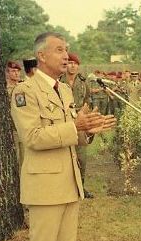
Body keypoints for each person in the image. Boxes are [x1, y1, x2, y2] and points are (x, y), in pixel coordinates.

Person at [10, 32, 116, 241]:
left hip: (68, 182)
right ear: (41, 56)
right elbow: (32, 138)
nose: (66, 55)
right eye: (59, 50)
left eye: (67, 50)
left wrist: (89, 130)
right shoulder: (25, 92)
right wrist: (75, 127)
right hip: (44, 185)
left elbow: (75, 136)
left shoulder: (66, 91)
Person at [60, 52, 94, 198]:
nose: (72, 66)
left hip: (80, 119)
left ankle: (81, 186)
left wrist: (88, 123)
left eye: (75, 64)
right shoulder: (59, 80)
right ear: (66, 65)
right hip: (64, 120)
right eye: (70, 63)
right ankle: (63, 187)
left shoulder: (83, 82)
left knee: (81, 156)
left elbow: (88, 101)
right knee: (63, 156)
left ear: (78, 67)